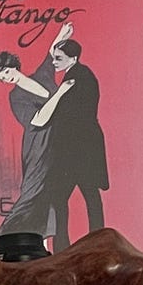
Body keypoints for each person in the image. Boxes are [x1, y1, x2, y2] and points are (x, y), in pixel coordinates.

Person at [36, 34, 108, 247]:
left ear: (73, 58)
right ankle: (92, 243)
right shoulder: (79, 75)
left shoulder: (77, 78)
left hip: (77, 149)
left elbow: (73, 116)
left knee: (71, 197)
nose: (54, 62)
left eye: (58, 58)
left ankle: (66, 247)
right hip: (78, 148)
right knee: (85, 196)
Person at [0, 48, 57, 238]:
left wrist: (63, 33)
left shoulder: (42, 75)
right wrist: (60, 96)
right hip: (36, 146)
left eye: (7, 72)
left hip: (53, 143)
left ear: (13, 65)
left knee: (50, 191)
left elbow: (51, 54)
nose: (7, 79)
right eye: (2, 78)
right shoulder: (16, 97)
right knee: (31, 191)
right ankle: (1, 234)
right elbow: (37, 121)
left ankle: (41, 238)